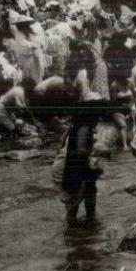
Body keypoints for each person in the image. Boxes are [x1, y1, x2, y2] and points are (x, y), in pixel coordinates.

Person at [60, 92, 105, 226]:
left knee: (89, 190)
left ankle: (88, 222)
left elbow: (64, 142)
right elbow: (80, 149)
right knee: (77, 197)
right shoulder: (85, 125)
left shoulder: (78, 122)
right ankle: (73, 229)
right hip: (78, 166)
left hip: (76, 165)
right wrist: (96, 153)